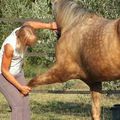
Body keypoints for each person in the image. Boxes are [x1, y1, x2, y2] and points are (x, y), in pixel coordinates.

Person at [0, 21, 57, 120]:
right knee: (17, 104)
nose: (29, 46)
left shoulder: (24, 29)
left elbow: (30, 23)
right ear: (22, 40)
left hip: (17, 72)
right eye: (28, 44)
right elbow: (4, 70)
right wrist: (20, 87)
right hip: (3, 75)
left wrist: (50, 26)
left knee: (25, 101)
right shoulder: (10, 47)